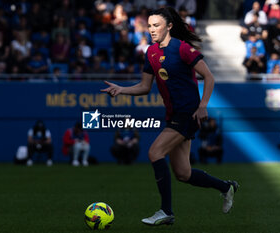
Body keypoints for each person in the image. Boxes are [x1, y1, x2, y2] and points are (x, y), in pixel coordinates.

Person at [101, 7, 239, 226]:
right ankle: (226, 187)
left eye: (156, 25)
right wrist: (121, 89)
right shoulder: (151, 52)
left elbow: (209, 77)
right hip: (173, 115)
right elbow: (145, 87)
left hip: (188, 113)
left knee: (155, 152)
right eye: (149, 26)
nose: (152, 29)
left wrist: (203, 105)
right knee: (183, 173)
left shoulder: (183, 48)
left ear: (169, 26)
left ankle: (166, 211)